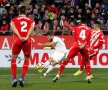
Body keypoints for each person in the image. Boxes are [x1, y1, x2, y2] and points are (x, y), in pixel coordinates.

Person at [52, 17, 92, 83]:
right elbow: (88, 39)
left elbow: (75, 37)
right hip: (84, 46)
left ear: (80, 22)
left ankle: (57, 75)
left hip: (76, 45)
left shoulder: (76, 27)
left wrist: (79, 43)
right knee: (87, 60)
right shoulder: (89, 29)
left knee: (67, 59)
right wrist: (85, 45)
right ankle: (88, 76)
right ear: (86, 22)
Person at [10, 6, 35, 87]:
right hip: (27, 41)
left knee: (13, 59)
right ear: (26, 12)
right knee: (27, 59)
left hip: (17, 39)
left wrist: (19, 36)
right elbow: (32, 27)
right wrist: (27, 37)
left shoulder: (14, 19)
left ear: (18, 11)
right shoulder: (31, 20)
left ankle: (14, 79)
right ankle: (22, 78)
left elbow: (13, 28)